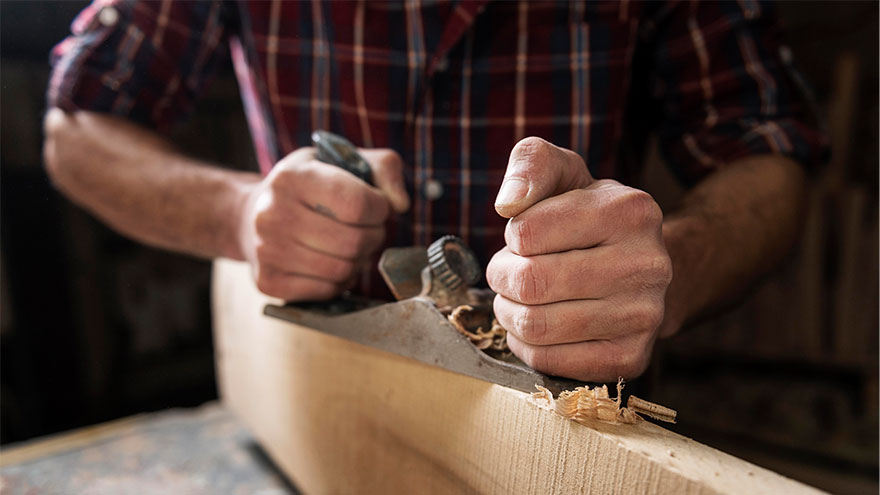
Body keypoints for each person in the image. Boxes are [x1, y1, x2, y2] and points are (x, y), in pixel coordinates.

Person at [44, 1, 826, 383]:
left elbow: (767, 151)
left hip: (570, 390)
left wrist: (672, 268)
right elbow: (76, 131)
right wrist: (239, 213)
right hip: (320, 385)